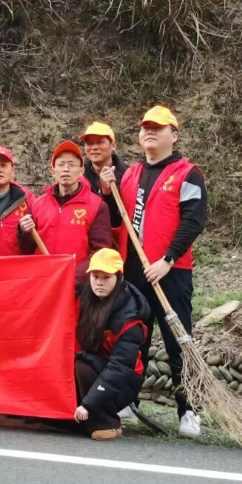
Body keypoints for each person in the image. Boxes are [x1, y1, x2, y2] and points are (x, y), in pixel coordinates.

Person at [100, 105, 208, 438]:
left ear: (173, 135)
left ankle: (189, 410)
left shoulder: (187, 173)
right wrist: (107, 192)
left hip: (171, 272)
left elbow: (193, 221)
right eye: (145, 127)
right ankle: (127, 401)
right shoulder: (130, 174)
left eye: (158, 128)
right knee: (133, 340)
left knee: (179, 342)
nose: (149, 131)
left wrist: (168, 259)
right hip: (133, 274)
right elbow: (116, 220)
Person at [74, 248, 151, 440]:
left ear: (119, 278)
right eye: (95, 276)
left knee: (83, 366)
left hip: (124, 380)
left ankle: (107, 423)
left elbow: (120, 368)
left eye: (106, 277)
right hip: (98, 366)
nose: (99, 282)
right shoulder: (87, 298)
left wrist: (88, 404)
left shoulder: (130, 319)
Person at [18, 140, 112, 285]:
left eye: (71, 165)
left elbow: (100, 253)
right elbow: (27, 250)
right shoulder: (37, 204)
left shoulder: (97, 206)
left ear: (81, 171)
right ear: (53, 170)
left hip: (76, 285)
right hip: (41, 283)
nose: (66, 169)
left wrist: (72, 276)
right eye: (61, 165)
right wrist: (23, 232)